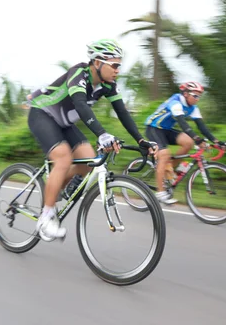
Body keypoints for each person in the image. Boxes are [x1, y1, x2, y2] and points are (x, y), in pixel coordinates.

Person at [26, 39, 157, 241]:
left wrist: (141, 140)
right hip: (42, 114)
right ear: (97, 62)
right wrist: (102, 134)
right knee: (62, 159)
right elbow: (80, 105)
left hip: (63, 123)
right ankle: (45, 217)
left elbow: (122, 112)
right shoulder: (79, 74)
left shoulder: (108, 85)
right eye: (114, 65)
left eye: (119, 65)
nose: (117, 70)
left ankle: (53, 189)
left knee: (88, 161)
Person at [144, 81, 226, 204]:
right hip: (154, 128)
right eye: (195, 95)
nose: (197, 99)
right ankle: (160, 193)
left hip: (166, 130)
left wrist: (217, 141)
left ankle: (169, 170)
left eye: (199, 96)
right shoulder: (176, 102)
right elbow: (183, 124)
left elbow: (202, 127)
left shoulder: (193, 108)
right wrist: (197, 139)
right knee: (164, 155)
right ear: (186, 94)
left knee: (188, 142)